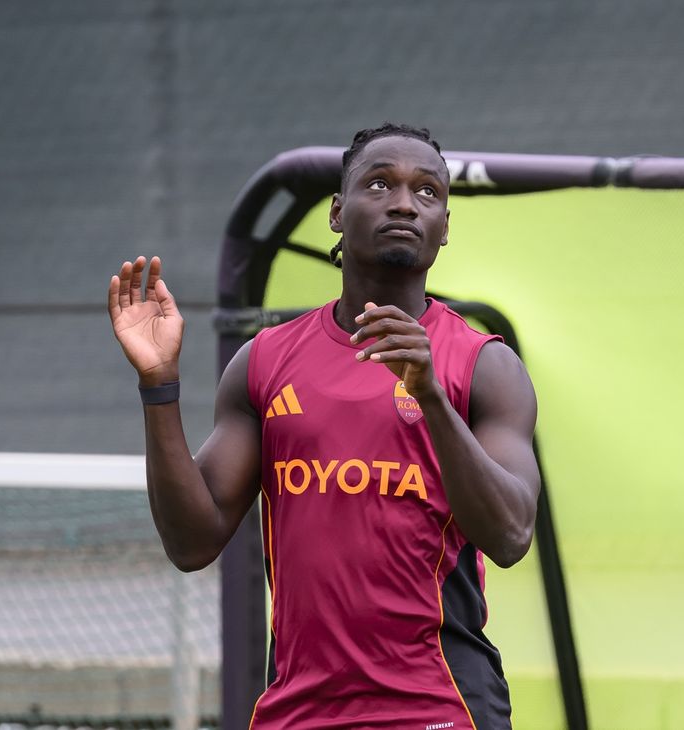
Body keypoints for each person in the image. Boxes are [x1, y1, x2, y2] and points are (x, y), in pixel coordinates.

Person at [108, 123, 540, 729]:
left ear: (444, 225)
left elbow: (512, 534)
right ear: (337, 212)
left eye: (427, 192)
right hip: (296, 714)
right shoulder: (263, 362)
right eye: (380, 183)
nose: (402, 203)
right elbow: (191, 542)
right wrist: (159, 384)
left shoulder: (486, 366)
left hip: (438, 709)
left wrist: (431, 400)